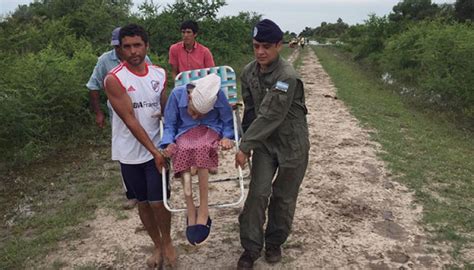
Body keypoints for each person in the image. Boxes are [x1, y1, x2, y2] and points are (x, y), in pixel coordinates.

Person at [235, 19, 310, 269]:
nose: (260, 52)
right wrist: (246, 138)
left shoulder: (286, 76)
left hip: (292, 145)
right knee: (257, 195)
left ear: (279, 46)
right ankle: (250, 248)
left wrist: (245, 146)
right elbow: (251, 111)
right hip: (265, 144)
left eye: (266, 46)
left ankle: (274, 242)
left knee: (284, 198)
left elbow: (271, 115)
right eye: (256, 46)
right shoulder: (248, 72)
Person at [103, 23, 176, 268]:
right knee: (143, 203)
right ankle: (156, 245)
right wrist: (154, 151)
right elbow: (130, 120)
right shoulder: (114, 79)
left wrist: (173, 140)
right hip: (130, 153)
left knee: (159, 202)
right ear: (120, 50)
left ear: (146, 46)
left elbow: (167, 111)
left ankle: (167, 243)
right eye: (127, 47)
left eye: (137, 45)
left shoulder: (160, 74)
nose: (133, 51)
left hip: (157, 149)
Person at [160, 73, 234, 245]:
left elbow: (227, 121)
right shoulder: (177, 94)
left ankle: (204, 209)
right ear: (189, 97)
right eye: (192, 111)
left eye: (200, 114)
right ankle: (190, 207)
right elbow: (170, 124)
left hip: (209, 130)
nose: (195, 117)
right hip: (185, 132)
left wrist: (227, 136)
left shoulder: (217, 95)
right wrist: (168, 142)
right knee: (182, 147)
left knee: (202, 146)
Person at [86, 27, 152, 210]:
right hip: (118, 112)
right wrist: (98, 113)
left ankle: (153, 189)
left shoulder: (143, 58)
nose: (124, 50)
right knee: (125, 151)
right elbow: (93, 86)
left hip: (143, 109)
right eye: (120, 46)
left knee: (147, 145)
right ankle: (131, 194)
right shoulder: (105, 61)